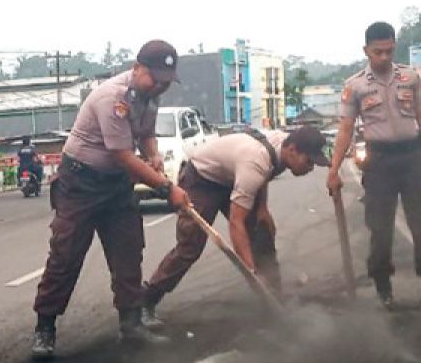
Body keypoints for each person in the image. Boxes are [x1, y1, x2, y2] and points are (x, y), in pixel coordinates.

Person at [31, 40, 190, 361]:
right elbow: (120, 154)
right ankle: (44, 328)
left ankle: (131, 325)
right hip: (81, 182)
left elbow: (145, 133)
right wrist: (165, 187)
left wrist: (154, 156)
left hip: (116, 186)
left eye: (166, 81)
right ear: (137, 68)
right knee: (66, 255)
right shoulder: (112, 97)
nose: (160, 86)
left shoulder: (149, 96)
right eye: (155, 78)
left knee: (128, 250)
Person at [141, 125, 331, 322]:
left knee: (261, 229)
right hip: (202, 179)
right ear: (292, 150)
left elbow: (266, 172)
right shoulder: (256, 162)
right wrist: (252, 272)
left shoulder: (283, 145)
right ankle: (146, 298)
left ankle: (272, 297)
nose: (310, 169)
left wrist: (262, 208)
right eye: (309, 162)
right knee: (191, 246)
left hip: (234, 176)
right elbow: (236, 222)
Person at [326, 22, 421, 309]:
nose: (384, 57)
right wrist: (333, 170)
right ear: (366, 51)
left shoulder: (410, 77)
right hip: (378, 162)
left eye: (389, 51)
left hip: (412, 158)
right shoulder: (354, 86)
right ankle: (384, 290)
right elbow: (345, 129)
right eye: (378, 52)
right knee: (380, 229)